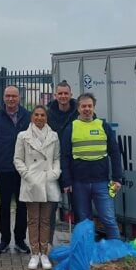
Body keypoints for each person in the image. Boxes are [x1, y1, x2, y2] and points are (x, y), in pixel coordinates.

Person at [60, 93, 123, 239]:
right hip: (78, 184)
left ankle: (118, 256)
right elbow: (65, 157)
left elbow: (115, 153)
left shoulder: (103, 126)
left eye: (90, 106)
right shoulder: (71, 128)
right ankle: (86, 253)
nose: (87, 109)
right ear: (78, 108)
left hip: (102, 183)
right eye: (84, 106)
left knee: (109, 219)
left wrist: (117, 179)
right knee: (84, 222)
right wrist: (67, 181)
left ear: (94, 108)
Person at [14, 106, 61, 270]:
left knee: (46, 220)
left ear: (46, 118)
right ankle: (35, 253)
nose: (39, 118)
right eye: (36, 115)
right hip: (31, 182)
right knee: (33, 220)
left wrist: (55, 173)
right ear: (31, 117)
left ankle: (45, 253)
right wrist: (27, 176)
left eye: (42, 115)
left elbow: (56, 158)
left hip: (48, 181)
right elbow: (18, 159)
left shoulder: (53, 136)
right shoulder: (23, 136)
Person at [0, 86, 30, 254]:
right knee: (4, 205)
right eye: (8, 96)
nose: (11, 99)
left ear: (19, 98)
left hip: (23, 170)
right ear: (3, 98)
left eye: (14, 96)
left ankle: (20, 239)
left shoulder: (27, 116)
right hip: (3, 168)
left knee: (22, 205)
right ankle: (4, 240)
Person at [46, 80, 79, 244]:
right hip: (53, 165)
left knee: (79, 207)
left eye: (66, 93)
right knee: (51, 207)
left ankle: (79, 244)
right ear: (55, 95)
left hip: (75, 167)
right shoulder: (47, 114)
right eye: (60, 93)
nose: (63, 96)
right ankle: (47, 244)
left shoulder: (79, 112)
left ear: (71, 95)